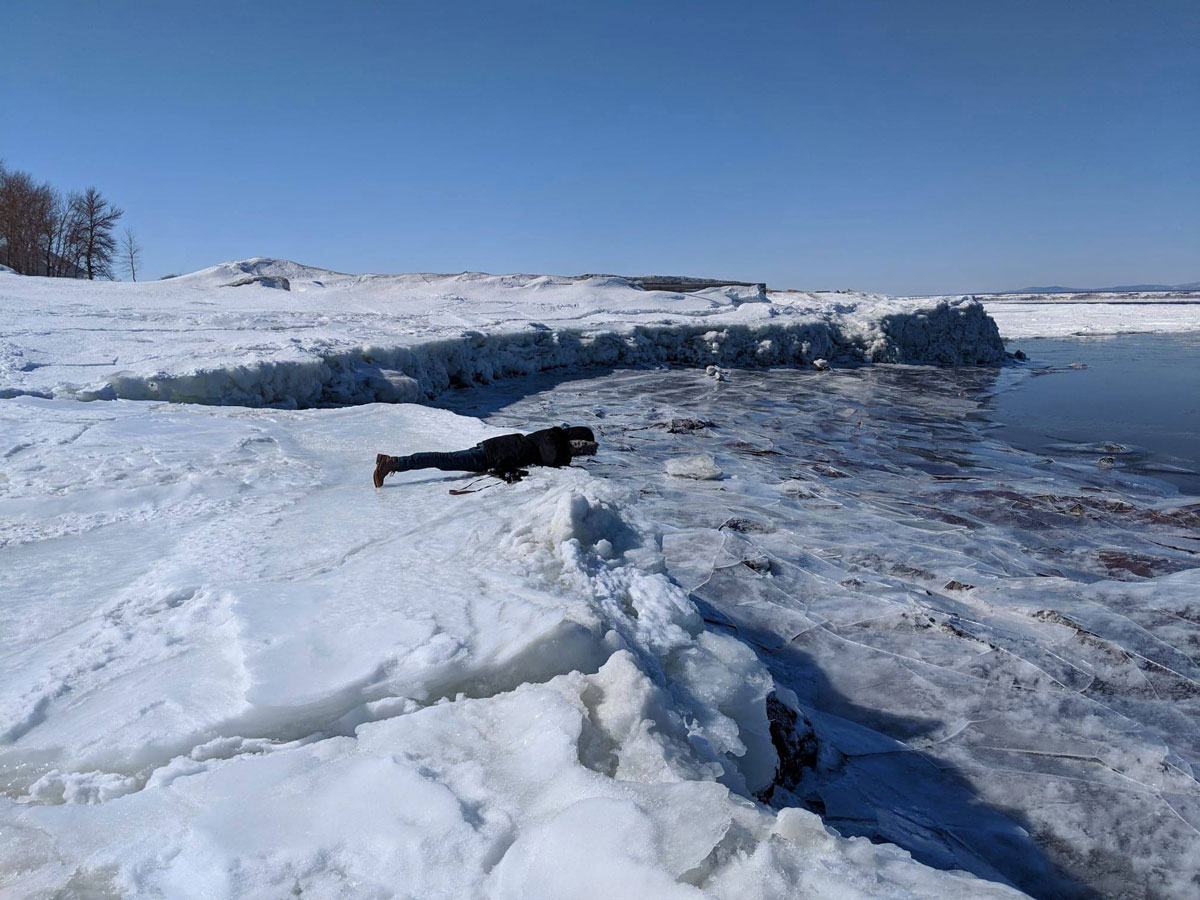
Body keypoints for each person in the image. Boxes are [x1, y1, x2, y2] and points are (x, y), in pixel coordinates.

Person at [374, 425, 597, 488]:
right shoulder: (553, 436)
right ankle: (393, 462)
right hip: (492, 454)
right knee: (443, 460)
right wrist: (568, 452)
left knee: (445, 460)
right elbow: (550, 456)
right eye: (579, 447)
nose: (578, 453)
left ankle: (391, 460)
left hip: (494, 451)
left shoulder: (555, 440)